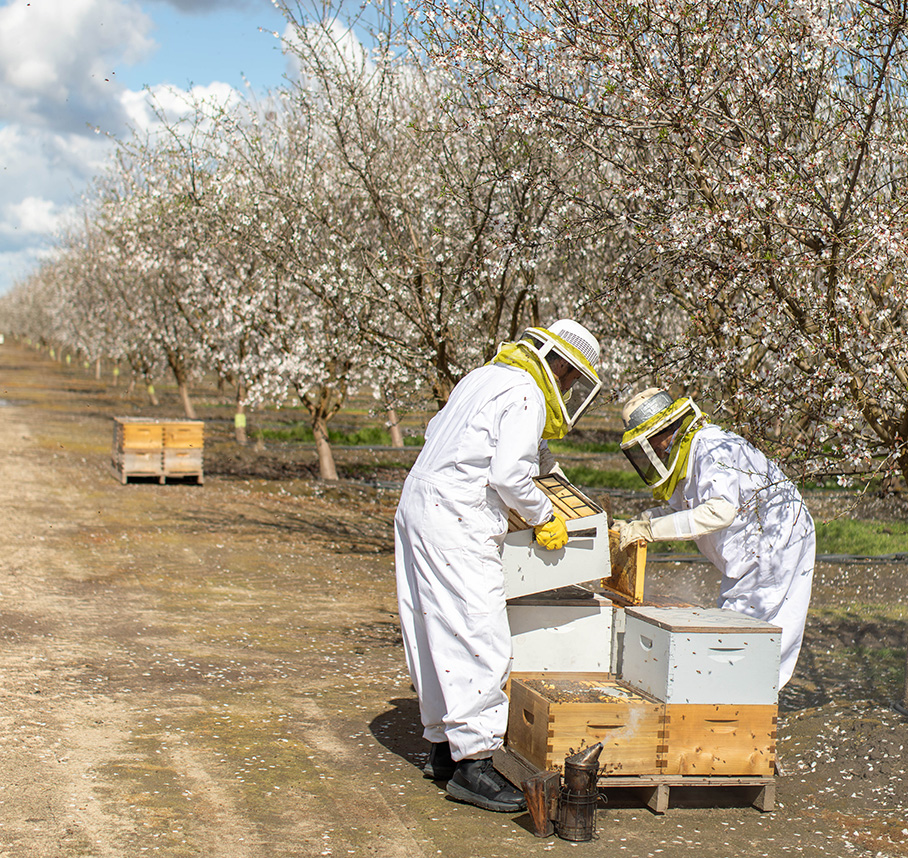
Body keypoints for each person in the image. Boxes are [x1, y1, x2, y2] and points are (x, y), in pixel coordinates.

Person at [395, 320, 602, 812]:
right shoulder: (528, 391)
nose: (569, 389)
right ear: (559, 366)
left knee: (431, 628)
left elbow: (447, 434)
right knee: (479, 634)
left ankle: (443, 749)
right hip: (459, 518)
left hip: (419, 505)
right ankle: (475, 764)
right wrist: (545, 515)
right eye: (572, 379)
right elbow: (509, 473)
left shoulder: (484, 376)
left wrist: (548, 475)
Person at [617, 389, 815, 690]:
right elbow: (688, 506)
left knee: (743, 631)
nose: (651, 454)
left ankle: (738, 701)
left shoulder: (711, 448)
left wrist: (649, 531)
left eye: (649, 444)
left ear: (663, 431)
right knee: (733, 626)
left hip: (776, 540)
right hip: (754, 546)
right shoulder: (688, 452)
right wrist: (645, 520)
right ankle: (734, 697)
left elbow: (718, 512)